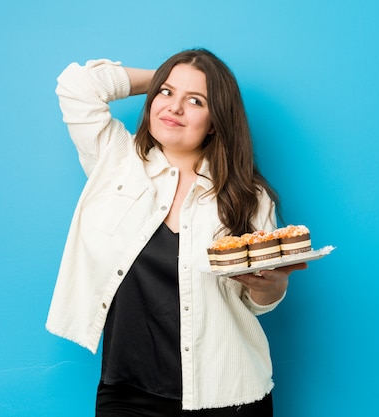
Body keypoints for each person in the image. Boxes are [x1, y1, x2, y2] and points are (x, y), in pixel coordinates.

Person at [46, 48, 307, 416]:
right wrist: (170, 77)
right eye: (166, 94)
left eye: (196, 101)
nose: (174, 107)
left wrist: (272, 288)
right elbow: (77, 85)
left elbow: (256, 304)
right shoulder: (115, 162)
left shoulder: (249, 196)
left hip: (228, 394)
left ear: (216, 121)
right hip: (127, 393)